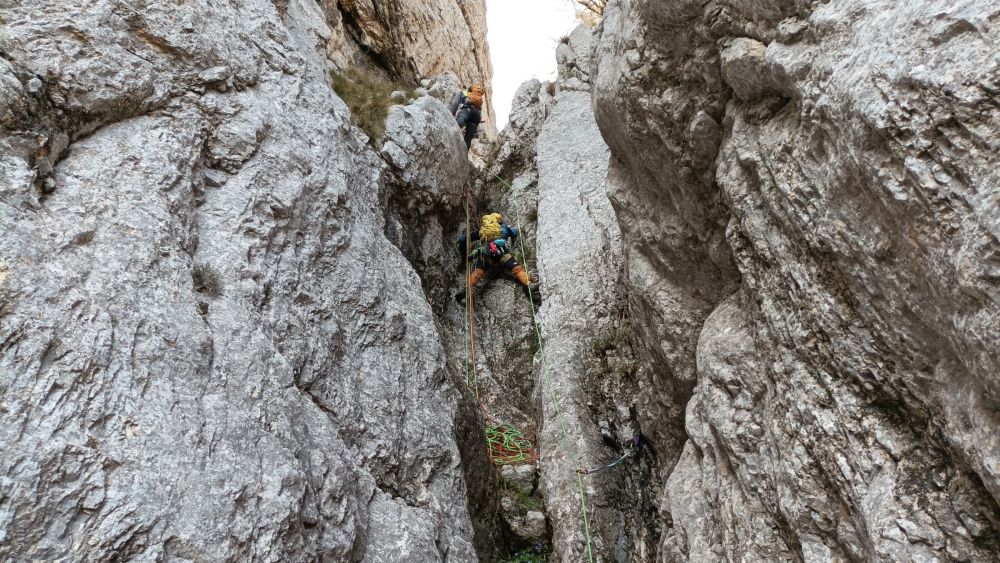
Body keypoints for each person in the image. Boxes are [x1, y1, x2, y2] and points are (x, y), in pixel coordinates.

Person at [456, 213, 540, 305]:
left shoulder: (482, 231)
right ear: (498, 221)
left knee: (478, 272)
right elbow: (515, 232)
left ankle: (466, 289)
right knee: (518, 270)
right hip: (502, 254)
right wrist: (512, 243)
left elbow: (462, 240)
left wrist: (464, 255)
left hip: (486, 256)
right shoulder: (503, 229)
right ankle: (529, 284)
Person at [450, 84, 485, 151]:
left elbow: (455, 103)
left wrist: (451, 115)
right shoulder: (478, 99)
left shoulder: (463, 92)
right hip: (476, 116)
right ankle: (464, 156)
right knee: (468, 139)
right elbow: (479, 111)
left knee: (458, 123)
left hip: (467, 110)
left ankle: (449, 139)